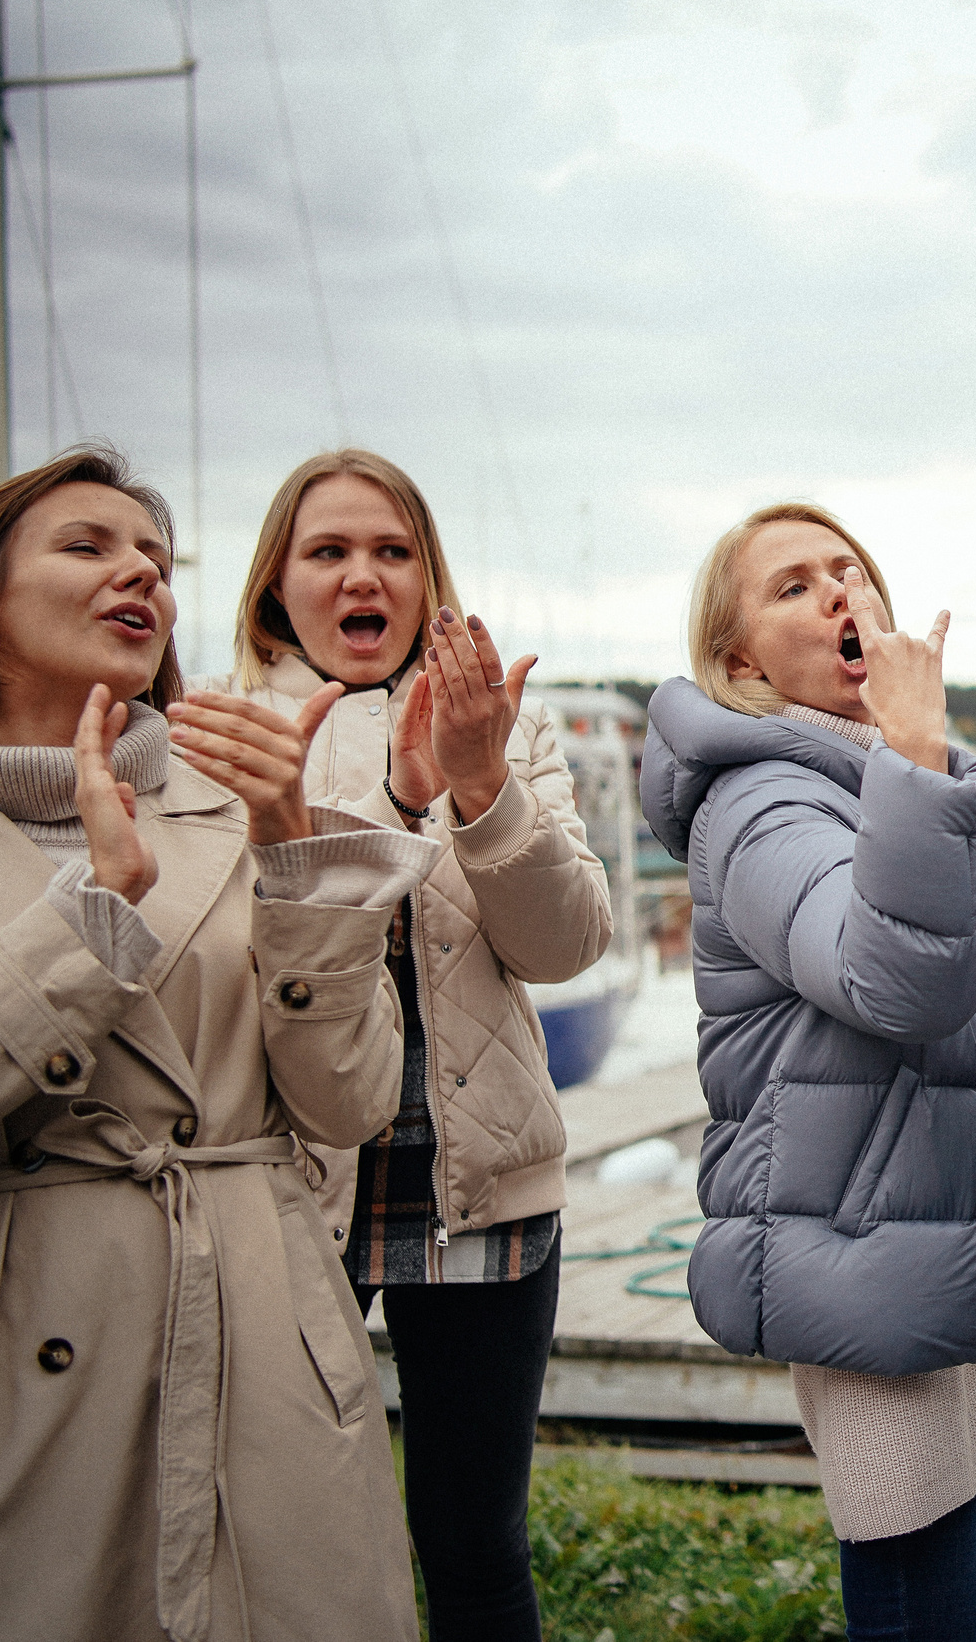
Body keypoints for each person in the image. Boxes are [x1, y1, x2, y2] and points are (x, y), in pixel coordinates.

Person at [0, 444, 436, 1639]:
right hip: (6, 1382)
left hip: (262, 1351)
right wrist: (91, 917)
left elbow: (351, 1104)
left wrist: (300, 857)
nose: (138, 575)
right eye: (88, 548)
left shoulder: (244, 807)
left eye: (153, 556)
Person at [640, 502, 976, 1642]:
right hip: (875, 1279)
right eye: (792, 586)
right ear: (739, 663)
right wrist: (920, 762)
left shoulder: (907, 781)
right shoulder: (759, 802)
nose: (839, 594)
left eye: (850, 573)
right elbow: (902, 987)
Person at [206, 448, 612, 1641]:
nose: (361, 575)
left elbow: (566, 946)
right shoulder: (225, 736)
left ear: (428, 576)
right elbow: (246, 952)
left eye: (391, 551)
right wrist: (390, 802)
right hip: (288, 1178)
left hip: (479, 1179)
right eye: (328, 551)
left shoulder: (504, 723)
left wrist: (483, 785)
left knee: (474, 1541)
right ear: (275, 582)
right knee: (288, 1521)